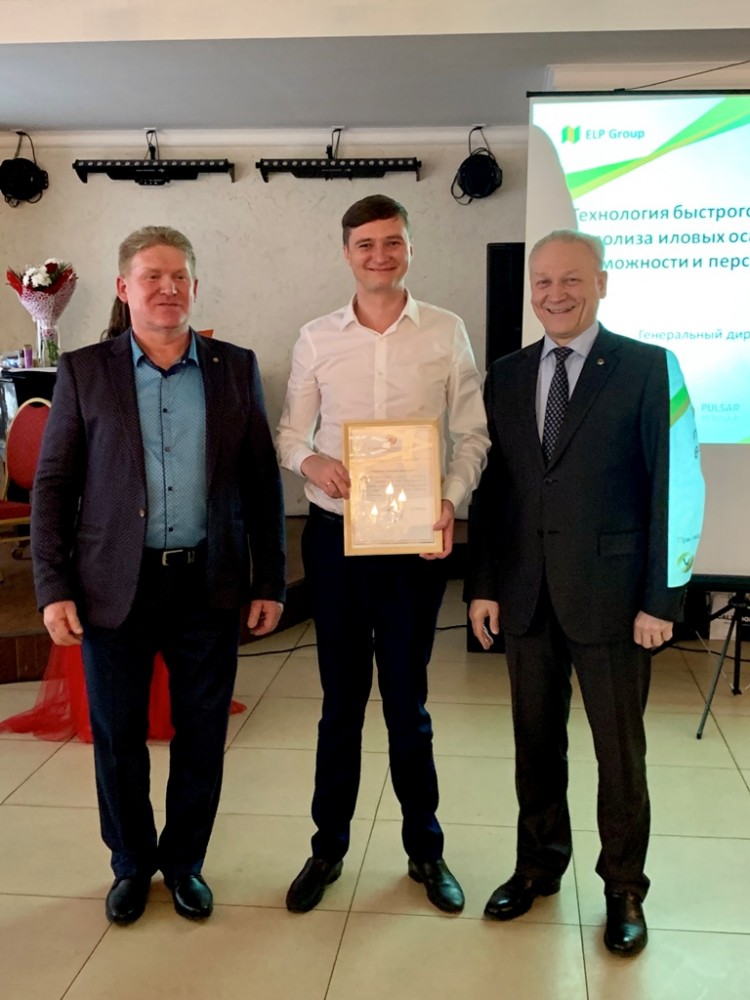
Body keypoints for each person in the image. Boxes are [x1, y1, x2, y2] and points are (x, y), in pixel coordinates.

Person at [31, 225, 286, 925]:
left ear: (195, 287)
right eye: (152, 276)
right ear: (124, 288)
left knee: (202, 734)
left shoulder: (235, 368)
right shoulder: (85, 371)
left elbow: (261, 482)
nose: (167, 289)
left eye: (179, 277)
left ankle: (185, 864)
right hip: (114, 586)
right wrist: (52, 587)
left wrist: (270, 579)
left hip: (210, 582)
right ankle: (130, 863)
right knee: (118, 737)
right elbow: (53, 484)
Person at [466, 230, 704, 956]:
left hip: (616, 600)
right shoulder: (507, 373)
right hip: (526, 595)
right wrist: (484, 586)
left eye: (571, 279)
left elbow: (676, 485)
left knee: (619, 755)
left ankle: (623, 887)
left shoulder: (650, 367)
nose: (555, 294)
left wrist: (662, 600)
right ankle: (538, 865)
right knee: (534, 745)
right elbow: (496, 490)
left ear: (602, 282)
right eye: (542, 282)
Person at [277, 194, 490, 914]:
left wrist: (450, 499)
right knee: (340, 703)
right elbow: (290, 435)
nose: (379, 255)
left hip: (412, 545)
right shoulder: (316, 338)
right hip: (336, 539)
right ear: (347, 253)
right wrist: (312, 464)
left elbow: (473, 434)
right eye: (365, 244)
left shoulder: (446, 331)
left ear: (410, 248)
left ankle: (425, 850)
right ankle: (327, 848)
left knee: (408, 702)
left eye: (392, 242)